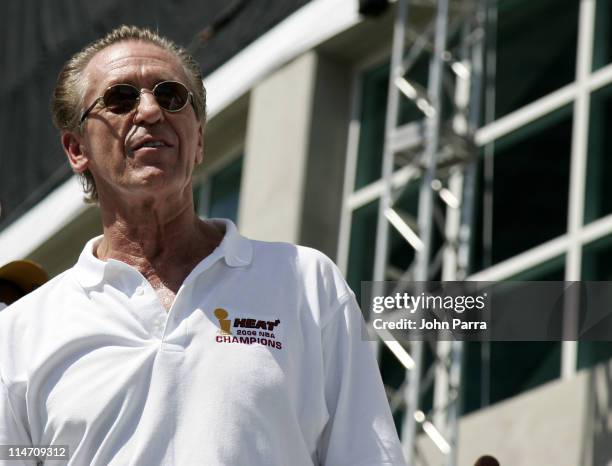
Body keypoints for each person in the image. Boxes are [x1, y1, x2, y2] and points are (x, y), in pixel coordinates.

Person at [0, 25, 405, 466]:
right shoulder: (21, 333)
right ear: (77, 149)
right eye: (120, 98)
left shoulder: (306, 283)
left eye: (171, 96)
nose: (151, 110)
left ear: (198, 140)